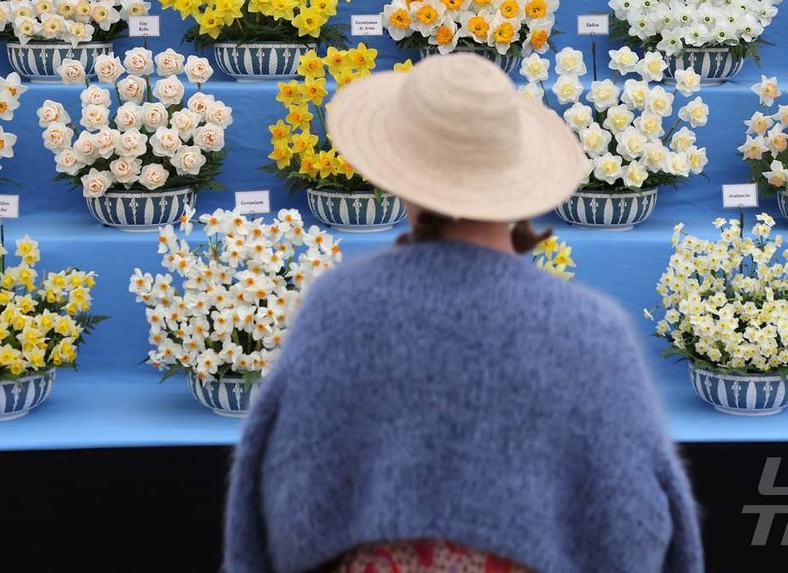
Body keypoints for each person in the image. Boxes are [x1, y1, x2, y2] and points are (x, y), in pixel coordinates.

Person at [222, 53, 704, 573]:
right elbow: (634, 520)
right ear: (519, 176)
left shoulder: (338, 306)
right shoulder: (592, 332)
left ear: (401, 173)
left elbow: (284, 483)